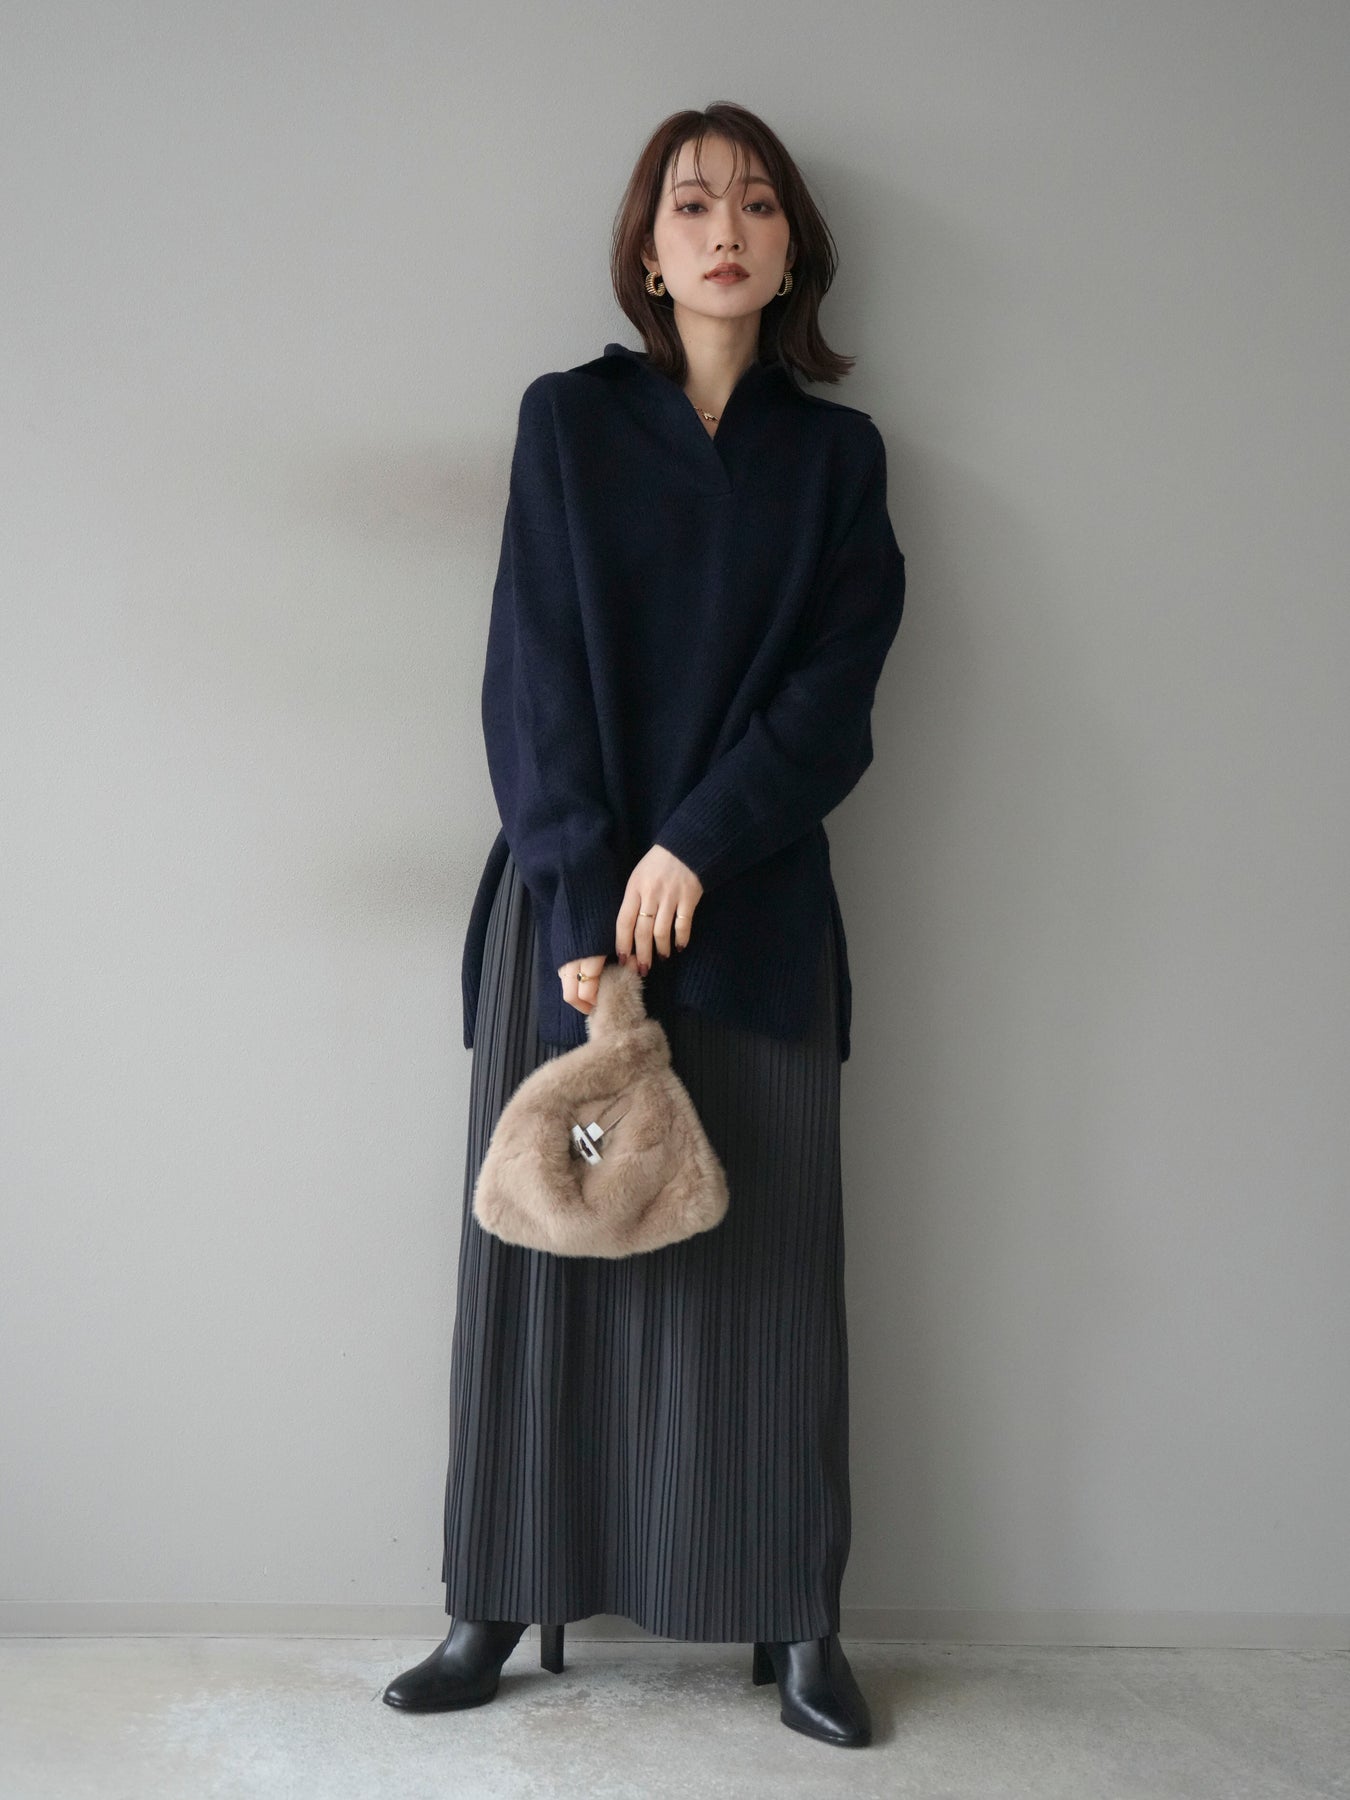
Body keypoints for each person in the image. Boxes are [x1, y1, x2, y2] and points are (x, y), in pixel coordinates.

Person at [384, 101, 906, 1750]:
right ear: (646, 248)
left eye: (754, 204)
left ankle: (794, 1620)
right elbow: (530, 671)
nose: (723, 228)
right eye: (690, 204)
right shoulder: (567, 422)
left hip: (754, 919)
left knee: (765, 1282)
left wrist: (694, 844)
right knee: (538, 1276)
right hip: (565, 917)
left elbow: (832, 704)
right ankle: (490, 1599)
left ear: (792, 250)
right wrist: (583, 888)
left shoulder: (838, 460)